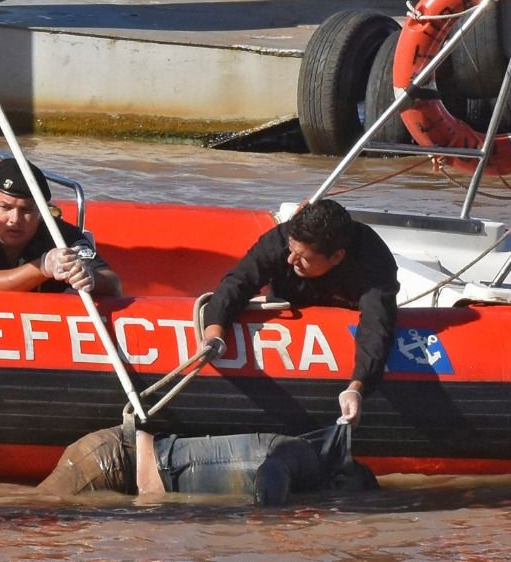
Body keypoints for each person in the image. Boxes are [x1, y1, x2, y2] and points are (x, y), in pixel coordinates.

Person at [203, 199, 399, 424]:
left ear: (336, 257)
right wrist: (214, 332)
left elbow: (377, 323)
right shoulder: (283, 238)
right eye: (291, 250)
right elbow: (240, 281)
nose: (291, 259)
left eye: (303, 258)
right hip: (290, 303)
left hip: (343, 311)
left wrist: (357, 387)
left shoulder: (373, 260)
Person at [37, 422, 377, 506]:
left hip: (123, 465)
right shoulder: (303, 456)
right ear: (338, 478)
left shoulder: (308, 472)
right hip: (111, 459)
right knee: (31, 512)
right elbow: (273, 470)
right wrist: (275, 522)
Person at [0, 158, 122, 295]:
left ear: (42, 212)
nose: (14, 219)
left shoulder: (58, 234)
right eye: (5, 207)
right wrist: (43, 267)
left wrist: (91, 278)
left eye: (27, 210)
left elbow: (113, 283)